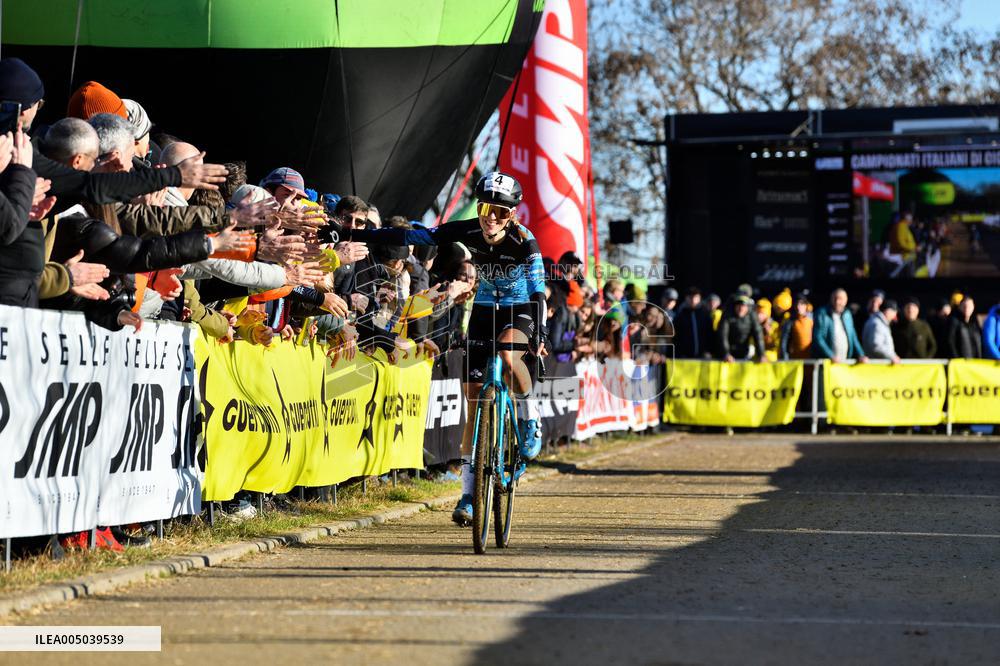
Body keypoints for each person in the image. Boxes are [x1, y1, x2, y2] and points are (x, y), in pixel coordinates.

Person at [344, 172, 548, 525]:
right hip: (485, 309)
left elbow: (539, 292)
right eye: (486, 208)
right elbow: (412, 235)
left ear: (512, 215)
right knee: (474, 404)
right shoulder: (468, 229)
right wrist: (355, 234)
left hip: (520, 309)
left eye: (500, 212)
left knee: (504, 352)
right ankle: (468, 494)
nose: (490, 218)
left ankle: (531, 417)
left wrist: (540, 332)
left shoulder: (524, 241)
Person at [813, 288, 867, 363]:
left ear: (845, 301)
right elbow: (818, 338)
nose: (837, 302)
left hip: (844, 363)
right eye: (835, 298)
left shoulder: (847, 315)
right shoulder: (822, 314)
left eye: (840, 299)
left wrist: (861, 354)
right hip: (827, 363)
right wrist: (831, 355)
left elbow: (853, 337)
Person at [717, 295, 766, 362]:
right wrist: (726, 353)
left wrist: (761, 355)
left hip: (744, 351)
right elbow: (723, 336)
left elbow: (758, 335)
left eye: (743, 306)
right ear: (734, 306)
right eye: (738, 306)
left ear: (748, 307)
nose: (741, 309)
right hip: (726, 352)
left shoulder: (752, 316)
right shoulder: (727, 315)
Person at [672, 287, 711, 359]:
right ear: (686, 298)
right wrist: (680, 353)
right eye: (690, 297)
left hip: (703, 356)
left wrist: (708, 351)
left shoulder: (705, 315)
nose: (693, 300)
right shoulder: (680, 315)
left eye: (696, 297)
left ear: (700, 298)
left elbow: (710, 334)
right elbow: (676, 337)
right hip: (685, 357)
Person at [779, 293, 813, 360]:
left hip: (810, 359)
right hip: (795, 361)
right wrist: (785, 358)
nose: (798, 307)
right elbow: (784, 343)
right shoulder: (789, 322)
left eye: (801, 304)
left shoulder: (811, 321)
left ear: (806, 306)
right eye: (797, 304)